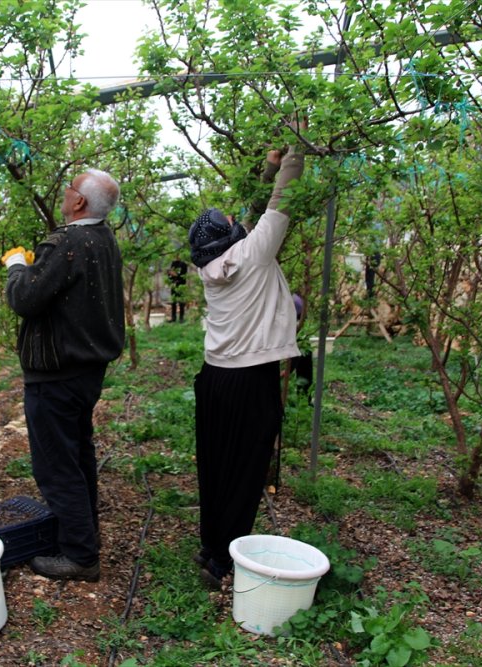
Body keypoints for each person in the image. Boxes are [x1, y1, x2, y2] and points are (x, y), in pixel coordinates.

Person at [188, 142, 305, 589]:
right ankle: (223, 561)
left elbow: (251, 222)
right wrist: (294, 152)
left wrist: (266, 167)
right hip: (250, 379)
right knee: (245, 470)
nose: (240, 224)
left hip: (214, 376)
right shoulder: (254, 256)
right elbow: (281, 203)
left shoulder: (214, 265)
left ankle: (211, 543)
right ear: (231, 237)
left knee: (216, 466)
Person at [1, 168, 125, 582]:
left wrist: (18, 266)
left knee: (57, 466)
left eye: (69, 187)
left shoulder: (68, 242)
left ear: (79, 203)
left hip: (55, 375)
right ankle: (83, 532)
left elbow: (25, 298)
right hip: (87, 372)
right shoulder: (104, 239)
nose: (64, 191)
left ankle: (80, 555)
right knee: (77, 455)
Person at [167, 257, 188, 322]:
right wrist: (170, 274)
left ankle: (181, 318)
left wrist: (176, 275)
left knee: (181, 302)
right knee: (173, 301)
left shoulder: (183, 264)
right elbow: (170, 274)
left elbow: (183, 276)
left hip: (181, 285)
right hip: (174, 284)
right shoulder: (173, 263)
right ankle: (173, 318)